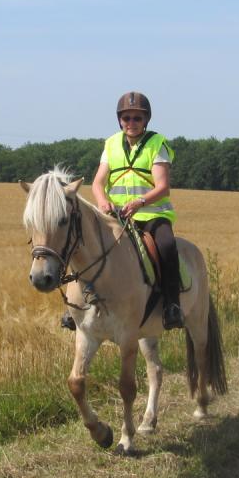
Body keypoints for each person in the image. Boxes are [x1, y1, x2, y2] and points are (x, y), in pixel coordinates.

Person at [91, 91, 184, 329]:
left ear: (146, 120)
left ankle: (172, 305)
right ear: (120, 120)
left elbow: (163, 187)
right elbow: (98, 182)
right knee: (85, 243)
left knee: (167, 245)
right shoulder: (110, 144)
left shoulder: (157, 143)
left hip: (151, 215)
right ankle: (78, 306)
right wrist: (102, 201)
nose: (131, 123)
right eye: (126, 118)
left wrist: (140, 202)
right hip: (117, 217)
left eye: (137, 118)